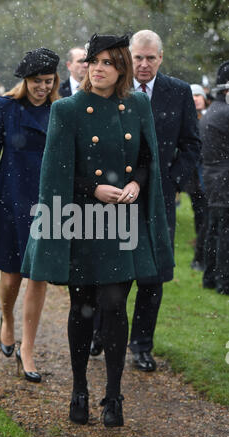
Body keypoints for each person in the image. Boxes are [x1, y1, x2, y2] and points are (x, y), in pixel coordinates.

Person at [21, 33, 174, 427]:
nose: (99, 68)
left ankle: (113, 394)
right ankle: (79, 389)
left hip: (123, 221)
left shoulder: (137, 103)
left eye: (109, 62)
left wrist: (137, 183)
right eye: (94, 61)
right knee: (81, 308)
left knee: (113, 306)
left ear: (121, 68)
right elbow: (56, 172)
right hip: (84, 221)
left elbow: (145, 156)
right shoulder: (68, 109)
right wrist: (93, 188)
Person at [90, 30, 201, 371]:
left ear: (161, 58)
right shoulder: (113, 89)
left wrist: (173, 182)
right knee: (111, 271)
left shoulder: (178, 92)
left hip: (160, 199)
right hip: (116, 197)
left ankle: (141, 344)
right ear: (128, 58)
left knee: (153, 275)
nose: (143, 64)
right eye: (138, 57)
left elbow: (192, 145)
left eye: (150, 58)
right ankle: (100, 331)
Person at [0, 48, 60, 381]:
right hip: (9, 201)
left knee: (38, 278)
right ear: (26, 81)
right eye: (37, 81)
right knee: (10, 279)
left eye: (48, 82)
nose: (42, 87)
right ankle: (7, 319)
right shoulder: (5, 107)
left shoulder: (58, 110)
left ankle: (28, 349)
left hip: (46, 204)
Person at [201, 61, 229, 295]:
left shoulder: (215, 110)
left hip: (213, 178)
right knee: (224, 234)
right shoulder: (225, 113)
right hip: (223, 180)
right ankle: (224, 282)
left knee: (215, 230)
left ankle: (210, 277)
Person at [184, 84, 208, 272]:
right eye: (193, 96)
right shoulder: (188, 119)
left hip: (210, 177)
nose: (196, 99)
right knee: (202, 219)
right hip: (196, 180)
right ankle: (200, 257)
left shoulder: (211, 116)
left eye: (199, 95)